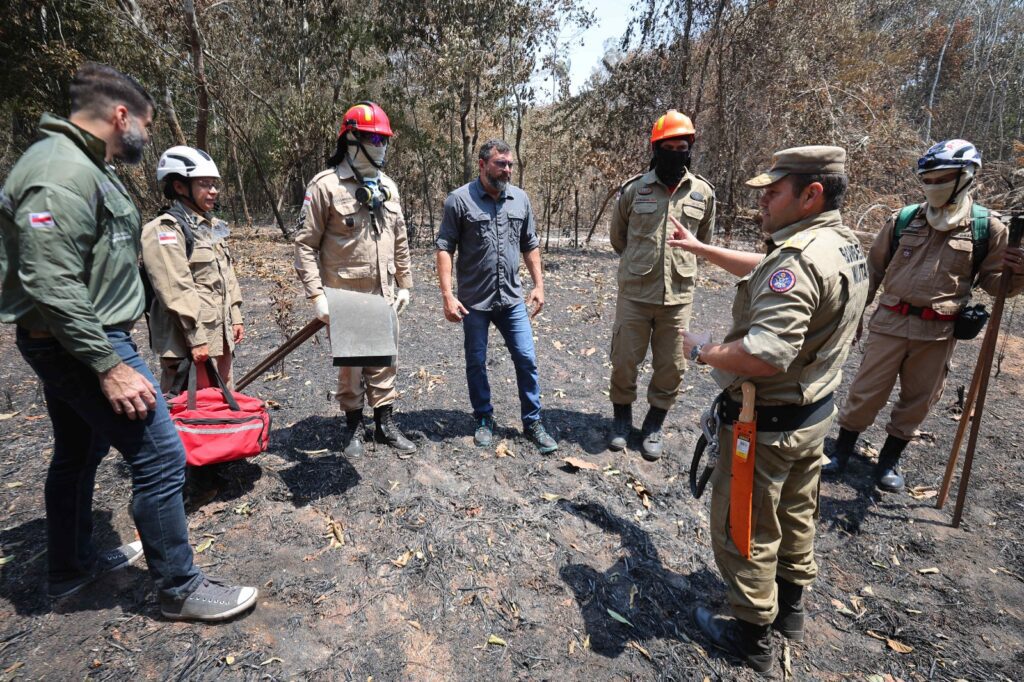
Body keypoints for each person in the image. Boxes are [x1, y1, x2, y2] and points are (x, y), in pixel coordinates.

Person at [0, 62, 256, 621]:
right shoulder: (58, 172)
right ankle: (179, 587)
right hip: (84, 343)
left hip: (83, 336)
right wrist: (108, 364)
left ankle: (71, 566)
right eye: (145, 121)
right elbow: (48, 279)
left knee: (80, 450)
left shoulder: (85, 167)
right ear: (122, 115)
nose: (146, 133)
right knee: (161, 454)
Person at [671, 146, 868, 673]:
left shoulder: (800, 260)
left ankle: (752, 634)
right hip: (812, 418)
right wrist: (701, 248)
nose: (762, 201)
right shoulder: (841, 245)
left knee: (747, 526)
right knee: (797, 513)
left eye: (773, 192)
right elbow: (769, 268)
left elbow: (764, 353)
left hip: (768, 425)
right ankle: (791, 611)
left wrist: (702, 351)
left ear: (811, 194)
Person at [824, 140, 1024, 492]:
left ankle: (889, 461)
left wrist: (1017, 272)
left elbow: (996, 284)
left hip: (938, 331)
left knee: (918, 400)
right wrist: (852, 317)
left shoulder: (986, 228)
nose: (933, 186)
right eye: (927, 179)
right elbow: (872, 271)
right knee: (865, 392)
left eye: (942, 178)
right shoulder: (903, 219)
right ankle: (841, 451)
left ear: (966, 177)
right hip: (889, 323)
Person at [294, 101, 415, 457]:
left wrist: (405, 284)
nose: (381, 145)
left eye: (384, 139)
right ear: (350, 139)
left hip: (383, 291)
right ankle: (353, 428)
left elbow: (401, 239)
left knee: (384, 360)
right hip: (344, 294)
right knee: (351, 367)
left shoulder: (388, 187)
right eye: (372, 138)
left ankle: (385, 423)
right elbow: (304, 245)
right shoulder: (325, 186)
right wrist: (317, 296)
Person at [435, 139, 558, 454]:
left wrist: (539, 285)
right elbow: (445, 247)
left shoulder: (520, 200)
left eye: (510, 164)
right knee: (476, 361)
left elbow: (530, 244)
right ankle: (484, 419)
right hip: (474, 302)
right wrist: (448, 295)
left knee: (526, 358)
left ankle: (532, 422)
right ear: (482, 164)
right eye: (500, 164)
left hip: (512, 300)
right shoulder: (459, 201)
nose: (507, 170)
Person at [608, 110, 716, 460]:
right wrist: (641, 265)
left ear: (690, 148)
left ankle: (654, 423)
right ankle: (621, 419)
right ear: (656, 149)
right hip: (635, 294)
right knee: (625, 359)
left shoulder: (703, 193)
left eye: (681, 146)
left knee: (671, 365)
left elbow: (704, 243)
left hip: (679, 298)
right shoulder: (634, 189)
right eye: (667, 146)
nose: (675, 152)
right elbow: (618, 238)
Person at [142, 146, 244, 393]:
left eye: (214, 184)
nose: (213, 191)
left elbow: (226, 274)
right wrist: (196, 339)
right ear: (179, 187)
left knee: (223, 406)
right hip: (187, 344)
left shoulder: (212, 225)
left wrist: (235, 316)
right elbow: (175, 289)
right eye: (205, 184)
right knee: (191, 416)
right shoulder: (164, 230)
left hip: (219, 338)